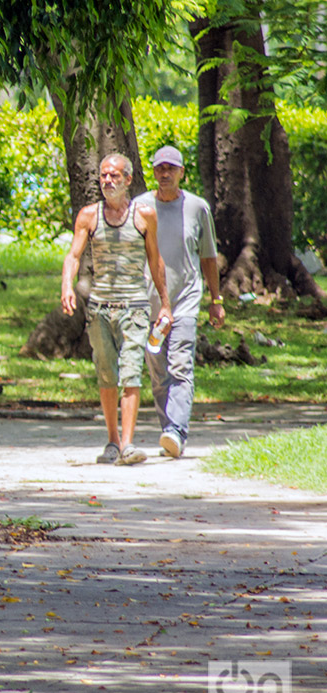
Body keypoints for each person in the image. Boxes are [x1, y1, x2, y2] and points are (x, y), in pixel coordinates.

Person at [61, 154, 172, 466]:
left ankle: (127, 444)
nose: (107, 181)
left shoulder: (144, 215)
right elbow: (73, 255)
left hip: (134, 307)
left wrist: (164, 304)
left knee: (132, 372)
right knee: (106, 373)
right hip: (99, 309)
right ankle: (111, 441)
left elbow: (156, 260)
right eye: (103, 176)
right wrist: (67, 287)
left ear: (128, 180)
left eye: (114, 176)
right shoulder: (89, 216)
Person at [135, 145, 225, 459]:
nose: (165, 174)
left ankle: (176, 430)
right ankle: (169, 430)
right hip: (149, 304)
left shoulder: (197, 208)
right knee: (158, 371)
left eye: (171, 168)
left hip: (185, 299)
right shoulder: (140, 206)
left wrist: (216, 299)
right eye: (160, 168)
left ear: (181, 173)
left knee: (180, 364)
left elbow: (209, 257)